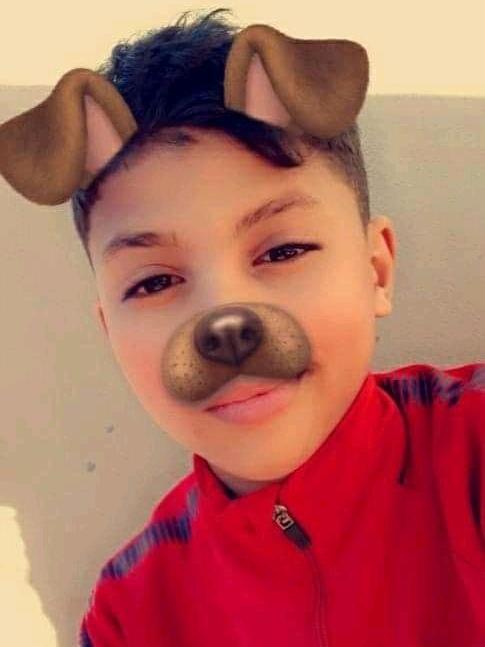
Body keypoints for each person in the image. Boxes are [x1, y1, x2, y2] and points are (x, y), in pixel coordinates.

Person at [1, 8, 483, 647]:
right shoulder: (131, 615)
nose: (224, 321)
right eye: (153, 283)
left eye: (283, 251)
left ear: (376, 270)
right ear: (109, 333)